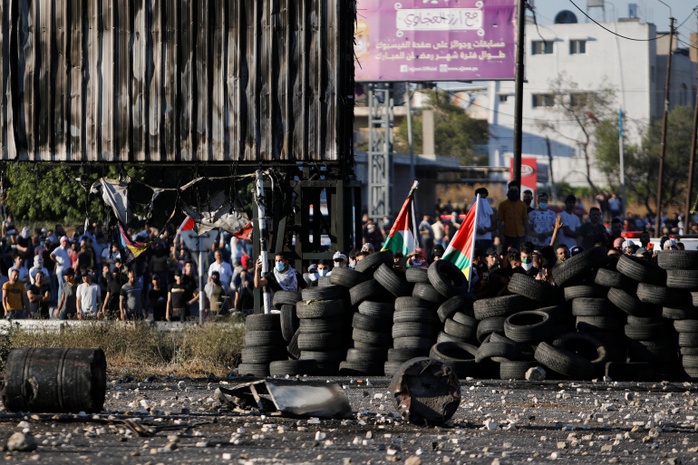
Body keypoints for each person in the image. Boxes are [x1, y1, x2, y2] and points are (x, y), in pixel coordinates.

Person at [497, 184, 529, 250]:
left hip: (520, 235)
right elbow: (499, 221)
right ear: (508, 191)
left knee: (520, 253)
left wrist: (527, 234)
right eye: (511, 190)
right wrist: (501, 235)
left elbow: (525, 220)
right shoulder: (503, 205)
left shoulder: (522, 205)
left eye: (515, 190)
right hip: (507, 235)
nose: (513, 191)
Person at [472, 187, 497, 253]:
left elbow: (494, 225)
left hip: (484, 239)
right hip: (477, 239)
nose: (482, 200)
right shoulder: (473, 207)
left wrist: (486, 230)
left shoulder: (489, 208)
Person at [50, 236, 72, 304]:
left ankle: (65, 301)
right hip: (61, 270)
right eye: (64, 241)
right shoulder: (59, 249)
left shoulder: (67, 250)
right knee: (62, 286)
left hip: (67, 270)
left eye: (66, 241)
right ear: (61, 242)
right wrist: (57, 261)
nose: (65, 243)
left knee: (67, 286)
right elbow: (51, 255)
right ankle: (60, 302)